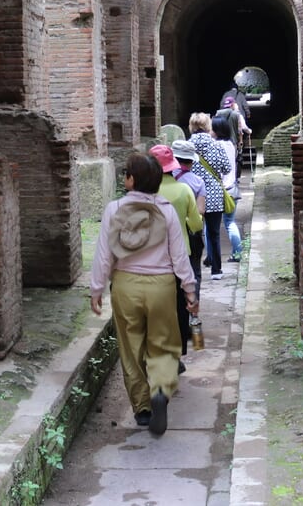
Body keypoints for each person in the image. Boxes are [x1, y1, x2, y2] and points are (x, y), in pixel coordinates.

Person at [90, 152, 198, 435]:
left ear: (131, 180)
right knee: (162, 343)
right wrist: (190, 290)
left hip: (126, 285)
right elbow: (179, 257)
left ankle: (142, 409)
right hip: (162, 285)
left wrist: (96, 288)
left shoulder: (114, 209)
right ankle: (160, 389)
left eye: (126, 172)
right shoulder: (166, 210)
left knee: (131, 347)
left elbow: (105, 255)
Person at [150, 144, 204, 368]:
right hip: (181, 255)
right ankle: (178, 353)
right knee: (180, 306)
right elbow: (195, 223)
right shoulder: (184, 190)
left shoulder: (145, 193)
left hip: (152, 259)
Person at [188, 112, 232, 280]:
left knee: (194, 233)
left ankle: (194, 269)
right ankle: (216, 270)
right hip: (213, 195)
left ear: (192, 126)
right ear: (208, 126)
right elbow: (227, 168)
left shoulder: (187, 146)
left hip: (192, 195)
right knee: (214, 233)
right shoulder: (216, 146)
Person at [170, 139, 206, 283]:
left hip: (169, 232)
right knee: (194, 271)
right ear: (191, 161)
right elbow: (201, 210)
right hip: (191, 232)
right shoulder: (198, 182)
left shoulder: (163, 180)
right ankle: (193, 300)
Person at [211, 116, 243, 262]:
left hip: (219, 189)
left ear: (216, 130)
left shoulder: (215, 146)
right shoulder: (231, 144)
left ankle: (211, 257)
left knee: (211, 225)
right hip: (232, 188)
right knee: (230, 223)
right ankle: (237, 253)